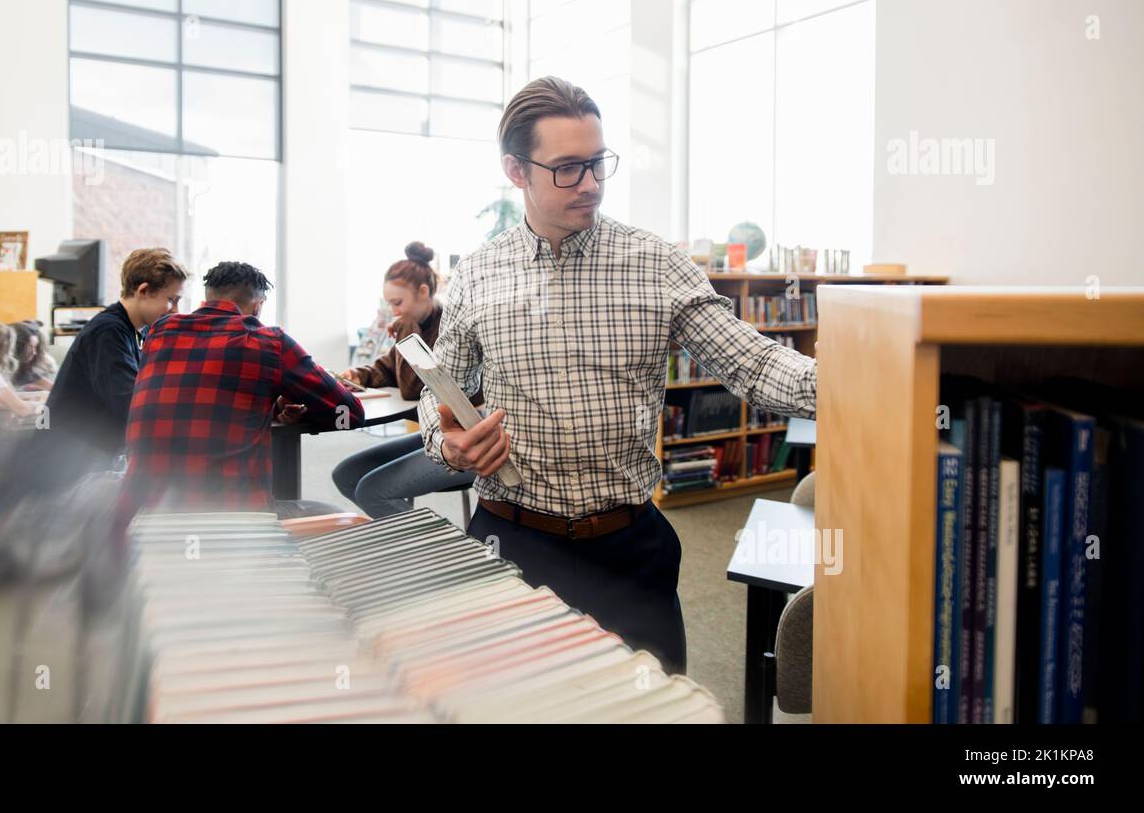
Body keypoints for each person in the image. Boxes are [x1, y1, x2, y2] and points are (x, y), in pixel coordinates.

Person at [417, 76, 818, 675]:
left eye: (599, 163)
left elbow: (751, 362)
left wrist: (869, 385)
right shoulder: (478, 272)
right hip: (513, 543)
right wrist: (446, 442)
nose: (591, 184)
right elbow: (438, 387)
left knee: (655, 710)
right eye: (568, 168)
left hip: (629, 546)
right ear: (516, 170)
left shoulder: (653, 262)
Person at [121, 261, 365, 516]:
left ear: (207, 298)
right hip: (236, 521)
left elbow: (205, 395)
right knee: (339, 516)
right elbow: (349, 414)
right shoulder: (269, 342)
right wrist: (307, 410)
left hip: (147, 516)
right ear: (258, 306)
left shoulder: (159, 333)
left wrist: (272, 405)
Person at [332, 242, 478, 518]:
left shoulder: (449, 326)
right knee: (346, 474)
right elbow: (387, 368)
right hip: (435, 431)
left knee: (371, 491)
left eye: (397, 303)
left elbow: (415, 388)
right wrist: (357, 375)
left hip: (467, 434)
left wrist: (406, 333)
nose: (394, 311)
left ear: (423, 292)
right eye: (390, 304)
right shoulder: (415, 324)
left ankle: (436, 554)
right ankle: (405, 541)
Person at [32, 247, 187, 493]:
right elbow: (129, 404)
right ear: (143, 291)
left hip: (86, 458)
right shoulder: (109, 332)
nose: (176, 311)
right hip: (67, 467)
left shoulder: (136, 331)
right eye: (171, 299)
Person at [10, 320, 54, 390]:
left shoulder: (26, 370)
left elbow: (55, 389)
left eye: (35, 347)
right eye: (30, 347)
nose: (34, 352)